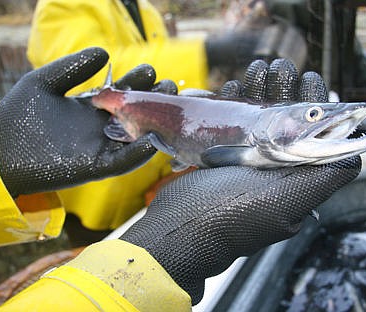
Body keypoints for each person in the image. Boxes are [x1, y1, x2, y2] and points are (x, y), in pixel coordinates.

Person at [0, 48, 361, 310]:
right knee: (88, 238)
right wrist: (158, 256)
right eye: (313, 115)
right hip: (93, 211)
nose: (320, 119)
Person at [26, 0, 260, 235]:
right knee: (102, 257)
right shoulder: (61, 5)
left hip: (144, 181)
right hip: (94, 189)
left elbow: (159, 84)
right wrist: (207, 53)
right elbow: (87, 74)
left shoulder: (145, 10)